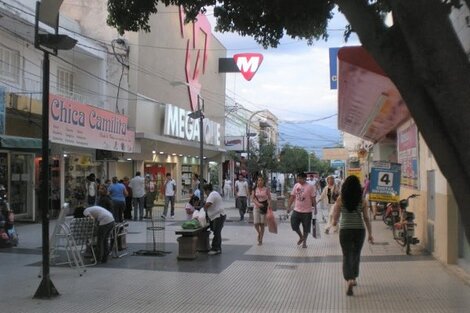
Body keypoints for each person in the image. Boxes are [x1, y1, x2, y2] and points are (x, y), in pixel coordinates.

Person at [332, 175, 374, 296]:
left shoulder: (341, 199)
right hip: (359, 230)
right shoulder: (362, 200)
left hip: (345, 230)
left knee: (346, 255)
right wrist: (370, 234)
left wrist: (334, 223)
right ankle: (354, 277)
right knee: (356, 254)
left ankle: (349, 279)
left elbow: (335, 216)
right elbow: (366, 218)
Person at [287, 172, 317, 248]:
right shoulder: (296, 185)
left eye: (300, 178)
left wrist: (315, 208)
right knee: (294, 224)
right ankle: (301, 237)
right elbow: (292, 196)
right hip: (296, 210)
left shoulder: (310, 187)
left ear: (304, 178)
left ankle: (304, 242)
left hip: (307, 211)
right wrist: (289, 206)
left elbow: (313, 198)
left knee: (306, 227)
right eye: (298, 178)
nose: (298, 179)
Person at [203, 183, 226, 255]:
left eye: (205, 191)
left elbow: (208, 204)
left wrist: (203, 208)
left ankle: (216, 248)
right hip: (218, 215)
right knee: (217, 232)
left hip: (218, 216)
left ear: (207, 190)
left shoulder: (212, 194)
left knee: (217, 232)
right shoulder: (214, 193)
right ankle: (216, 247)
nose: (205, 193)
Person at [251, 176, 271, 245]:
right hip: (256, 207)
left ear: (263, 181)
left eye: (261, 180)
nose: (260, 181)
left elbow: (269, 198)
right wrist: (258, 204)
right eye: (259, 180)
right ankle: (259, 233)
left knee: (262, 224)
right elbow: (253, 198)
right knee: (256, 223)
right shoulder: (254, 189)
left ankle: (260, 239)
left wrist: (268, 207)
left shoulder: (266, 189)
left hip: (264, 207)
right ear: (257, 181)